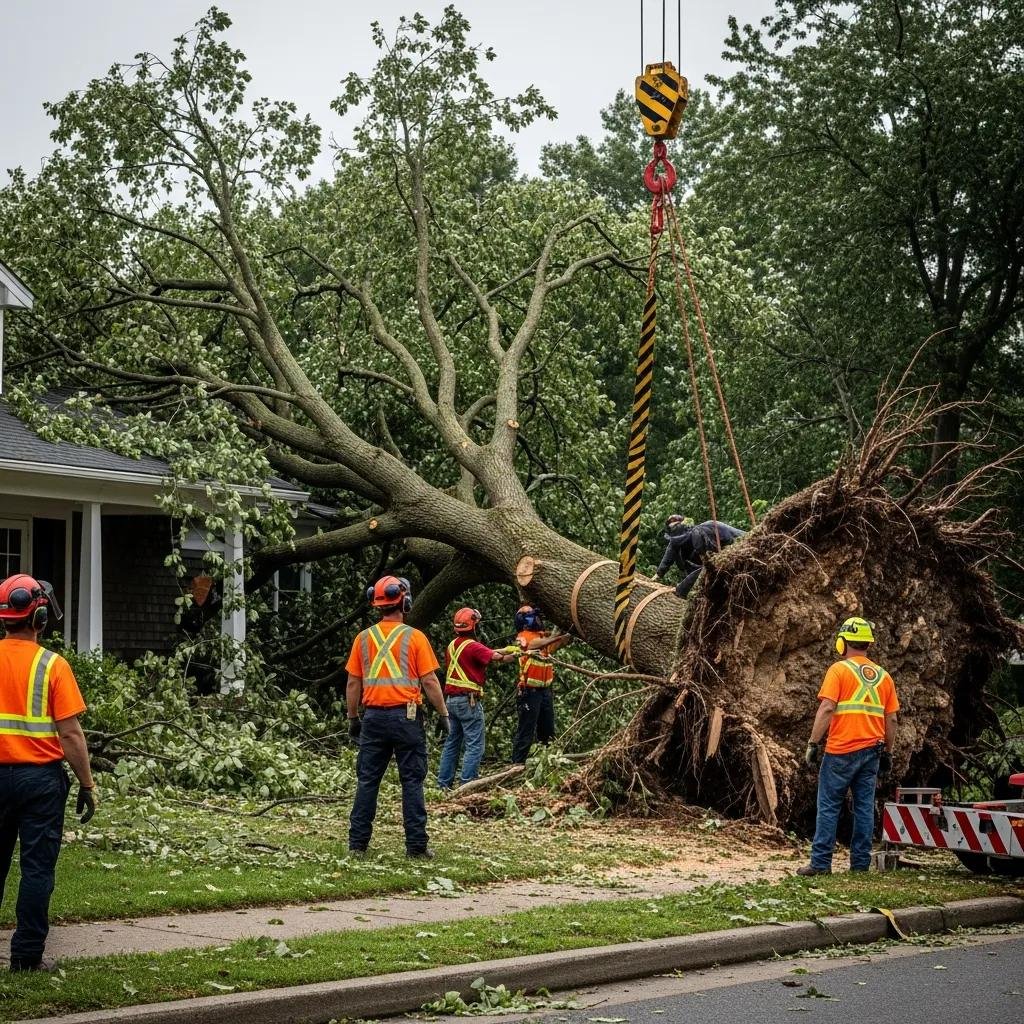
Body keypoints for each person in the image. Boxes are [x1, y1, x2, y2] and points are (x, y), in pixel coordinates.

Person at [0, 574, 97, 972]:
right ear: (40, 618)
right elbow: (71, 735)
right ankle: (25, 957)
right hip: (40, 781)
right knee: (36, 869)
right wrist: (87, 784)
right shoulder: (53, 666)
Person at [346, 575, 450, 859]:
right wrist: (443, 714)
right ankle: (416, 847)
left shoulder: (363, 638)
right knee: (412, 782)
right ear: (405, 602)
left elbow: (353, 683)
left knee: (367, 781)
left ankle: (357, 846)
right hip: (406, 718)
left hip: (373, 719)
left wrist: (353, 718)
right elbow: (429, 681)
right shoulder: (415, 637)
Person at [797, 616, 899, 876]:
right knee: (864, 807)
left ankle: (820, 864)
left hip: (841, 751)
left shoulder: (839, 670)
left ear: (842, 643)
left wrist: (813, 743)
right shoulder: (884, 677)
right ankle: (860, 865)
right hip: (872, 751)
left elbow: (828, 707)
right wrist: (888, 751)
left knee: (829, 805)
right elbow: (892, 719)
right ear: (868, 644)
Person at [436, 608, 517, 791]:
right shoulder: (473, 645)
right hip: (468, 701)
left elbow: (483, 652)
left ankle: (443, 784)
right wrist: (520, 654)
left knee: (452, 743)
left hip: (452, 702)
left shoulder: (453, 645)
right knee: (474, 745)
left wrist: (505, 648)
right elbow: (499, 658)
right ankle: (468, 784)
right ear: (474, 626)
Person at [510, 605, 572, 764]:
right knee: (526, 731)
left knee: (548, 731)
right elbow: (534, 644)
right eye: (533, 616)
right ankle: (516, 766)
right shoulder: (523, 637)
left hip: (545, 692)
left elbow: (557, 643)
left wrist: (566, 632)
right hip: (529, 692)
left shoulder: (541, 637)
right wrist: (554, 636)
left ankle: (546, 764)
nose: (537, 619)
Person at [655, 514, 746, 597]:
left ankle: (680, 592)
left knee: (704, 572)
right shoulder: (676, 543)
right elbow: (668, 556)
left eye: (675, 525)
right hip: (718, 560)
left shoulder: (700, 531)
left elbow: (708, 566)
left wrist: (680, 590)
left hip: (733, 546)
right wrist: (658, 574)